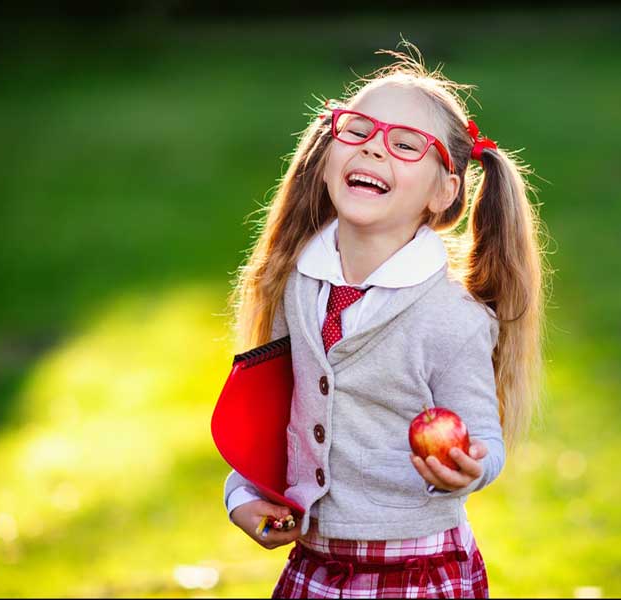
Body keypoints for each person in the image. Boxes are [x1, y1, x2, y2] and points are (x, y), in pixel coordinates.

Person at [222, 42, 549, 599]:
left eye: (404, 145)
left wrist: (470, 467)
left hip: (417, 570)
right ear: (327, 156)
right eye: (357, 131)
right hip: (315, 565)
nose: (374, 150)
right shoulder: (296, 282)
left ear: (445, 193)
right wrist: (244, 495)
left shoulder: (451, 316)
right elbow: (275, 413)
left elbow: (485, 437)